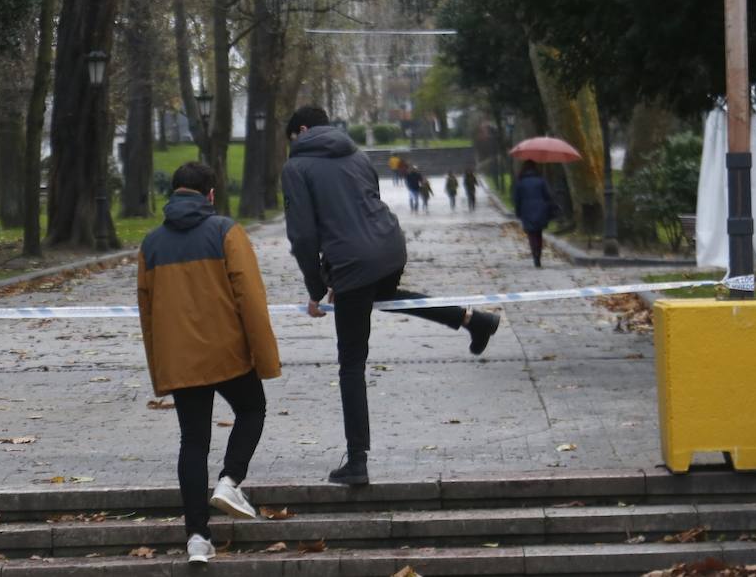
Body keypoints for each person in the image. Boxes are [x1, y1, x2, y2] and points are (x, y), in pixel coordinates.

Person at [281, 106, 501, 486]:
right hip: (390, 247)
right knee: (389, 295)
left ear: (301, 130)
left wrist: (318, 290)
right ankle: (473, 319)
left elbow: (302, 236)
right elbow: (366, 206)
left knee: (351, 363)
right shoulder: (357, 154)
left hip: (353, 261)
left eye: (292, 139)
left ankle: (357, 461)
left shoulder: (296, 169)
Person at [137, 162, 282, 564]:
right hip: (229, 353)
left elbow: (147, 314)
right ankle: (231, 479)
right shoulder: (225, 232)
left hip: (181, 360)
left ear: (173, 192)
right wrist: (265, 357)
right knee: (252, 408)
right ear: (211, 195)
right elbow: (249, 298)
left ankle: (197, 539)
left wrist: (160, 368)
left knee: (193, 442)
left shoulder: (150, 245)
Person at [512, 160, 556, 268]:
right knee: (538, 233)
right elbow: (548, 196)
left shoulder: (520, 182)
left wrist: (518, 212)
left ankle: (535, 256)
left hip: (526, 210)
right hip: (540, 210)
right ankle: (538, 255)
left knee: (531, 234)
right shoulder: (541, 181)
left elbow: (517, 199)